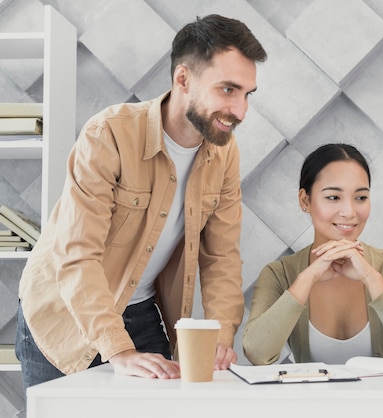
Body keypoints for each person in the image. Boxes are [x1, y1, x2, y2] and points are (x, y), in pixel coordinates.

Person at [15, 14, 267, 389]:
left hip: (142, 313)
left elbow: (222, 259)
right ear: (183, 79)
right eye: (228, 90)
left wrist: (221, 334)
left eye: (247, 94)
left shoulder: (224, 153)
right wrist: (118, 351)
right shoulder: (110, 134)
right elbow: (77, 253)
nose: (241, 110)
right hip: (63, 317)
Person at [242, 143, 383, 365]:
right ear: (305, 200)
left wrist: (371, 278)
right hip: (310, 401)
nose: (349, 212)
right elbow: (257, 353)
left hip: (382, 401)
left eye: (361, 197)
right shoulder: (279, 274)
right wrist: (307, 278)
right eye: (334, 197)